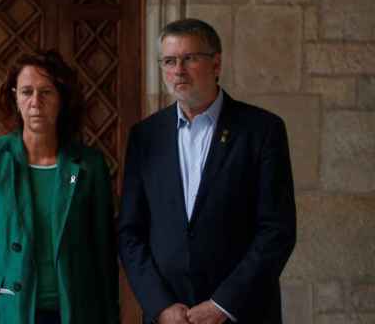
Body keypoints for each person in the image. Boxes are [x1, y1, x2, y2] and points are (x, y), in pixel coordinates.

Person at [118, 18, 296, 324]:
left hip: (241, 313)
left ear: (216, 64)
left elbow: (277, 231)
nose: (178, 70)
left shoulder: (262, 131)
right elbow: (130, 232)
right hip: (169, 317)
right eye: (170, 61)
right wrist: (160, 306)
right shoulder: (145, 137)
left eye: (189, 59)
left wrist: (223, 305)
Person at [0, 51, 118, 324]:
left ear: (62, 99)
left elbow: (104, 252)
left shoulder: (89, 165)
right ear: (15, 98)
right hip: (7, 312)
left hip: (75, 312)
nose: (35, 102)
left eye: (46, 92)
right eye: (27, 92)